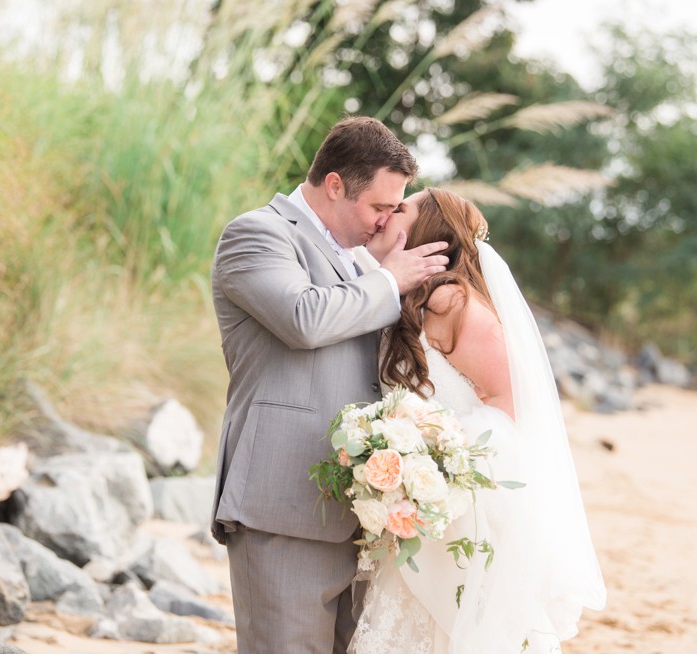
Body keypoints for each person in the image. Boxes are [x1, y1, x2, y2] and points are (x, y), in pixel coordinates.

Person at [209, 116, 450, 653]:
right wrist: (389, 280)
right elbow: (303, 317)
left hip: (362, 513)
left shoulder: (364, 259)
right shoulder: (257, 233)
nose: (386, 220)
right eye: (378, 207)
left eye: (394, 207)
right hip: (283, 504)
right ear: (335, 184)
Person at [350, 187, 606, 654]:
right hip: (414, 507)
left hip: (457, 505)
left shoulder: (454, 302)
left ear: (427, 231)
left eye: (401, 208)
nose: (387, 214)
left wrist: (432, 459)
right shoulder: (404, 298)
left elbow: (509, 404)